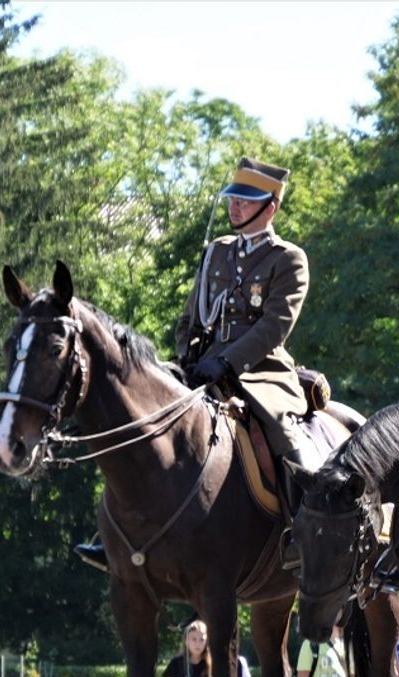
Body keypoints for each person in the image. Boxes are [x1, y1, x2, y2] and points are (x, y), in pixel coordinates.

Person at [75, 156, 313, 571]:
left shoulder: (287, 258)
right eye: (233, 199)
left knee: (283, 433)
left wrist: (227, 362)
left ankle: (302, 532)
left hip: (261, 372)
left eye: (245, 200)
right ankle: (114, 533)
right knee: (136, 416)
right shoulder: (216, 252)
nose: (234, 207)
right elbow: (189, 317)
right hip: (201, 367)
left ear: (269, 206)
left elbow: (276, 326)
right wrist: (188, 358)